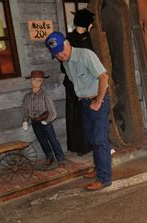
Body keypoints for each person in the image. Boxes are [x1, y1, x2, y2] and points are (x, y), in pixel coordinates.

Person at [45, 31, 111, 191]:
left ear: (67, 43)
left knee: (100, 141)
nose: (60, 55)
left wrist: (98, 101)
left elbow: (104, 77)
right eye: (56, 54)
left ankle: (104, 178)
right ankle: (98, 168)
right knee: (92, 139)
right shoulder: (66, 62)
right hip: (85, 103)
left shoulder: (86, 55)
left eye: (61, 50)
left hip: (97, 101)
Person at [62, 9, 95, 156]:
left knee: (88, 114)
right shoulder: (69, 40)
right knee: (77, 115)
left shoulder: (87, 37)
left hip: (88, 82)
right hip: (74, 83)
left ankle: (90, 144)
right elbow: (64, 64)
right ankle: (80, 147)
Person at [22, 70, 65, 170]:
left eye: (39, 80)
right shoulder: (27, 97)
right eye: (34, 80)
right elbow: (25, 110)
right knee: (42, 141)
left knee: (53, 140)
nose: (36, 83)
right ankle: (49, 157)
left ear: (42, 82)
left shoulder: (45, 96)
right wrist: (25, 120)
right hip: (35, 122)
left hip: (46, 122)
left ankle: (61, 159)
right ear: (31, 81)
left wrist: (47, 121)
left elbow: (53, 112)